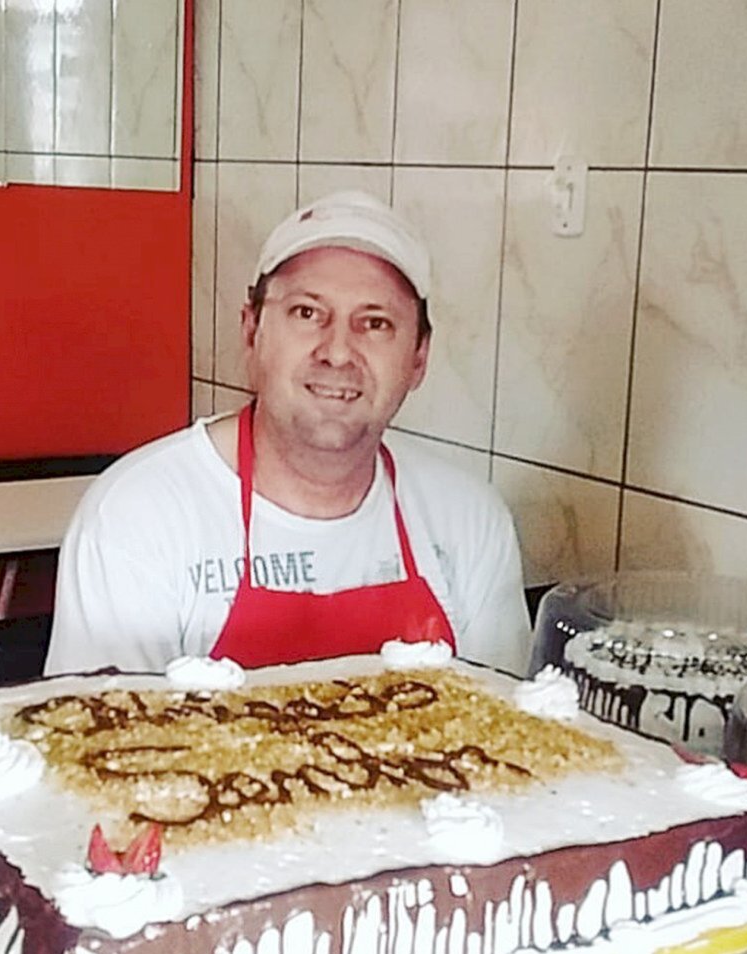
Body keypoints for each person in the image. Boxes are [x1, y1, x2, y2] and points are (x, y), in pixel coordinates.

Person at [44, 191, 531, 676]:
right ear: (252, 331)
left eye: (375, 323)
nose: (338, 352)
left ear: (419, 358)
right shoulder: (139, 517)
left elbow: (510, 735)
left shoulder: (469, 522)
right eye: (306, 313)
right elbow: (105, 745)